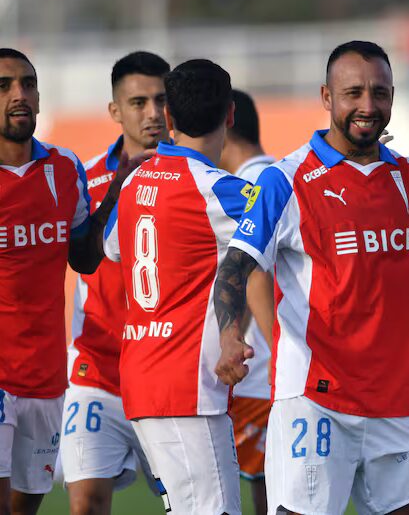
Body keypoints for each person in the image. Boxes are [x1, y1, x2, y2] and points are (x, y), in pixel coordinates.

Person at [213, 41, 409, 515]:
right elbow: (235, 267)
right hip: (316, 399)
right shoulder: (287, 179)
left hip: (393, 402)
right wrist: (231, 336)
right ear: (326, 97)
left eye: (379, 93)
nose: (367, 106)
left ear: (394, 96)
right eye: (353, 92)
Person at [103, 59, 250, 515]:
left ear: (168, 118)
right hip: (186, 383)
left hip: (142, 375)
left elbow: (112, 249)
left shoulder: (133, 184)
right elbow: (278, 214)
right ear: (229, 115)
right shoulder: (217, 190)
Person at [0, 48, 129, 515]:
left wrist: (113, 195)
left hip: (47, 374)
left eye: (28, 84)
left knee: (24, 506)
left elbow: (84, 259)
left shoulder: (64, 167)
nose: (20, 95)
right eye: (5, 86)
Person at [61, 51, 169, 515]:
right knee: (86, 503)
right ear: (114, 111)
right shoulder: (83, 179)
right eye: (139, 102)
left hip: (167, 373)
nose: (152, 114)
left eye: (161, 100)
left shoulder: (198, 176)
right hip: (96, 371)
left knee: (186, 505)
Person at [218, 89, 276, 515]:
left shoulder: (249, 187)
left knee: (271, 493)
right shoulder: (282, 173)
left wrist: (279, 349)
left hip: (266, 377)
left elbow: (256, 271)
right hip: (284, 370)